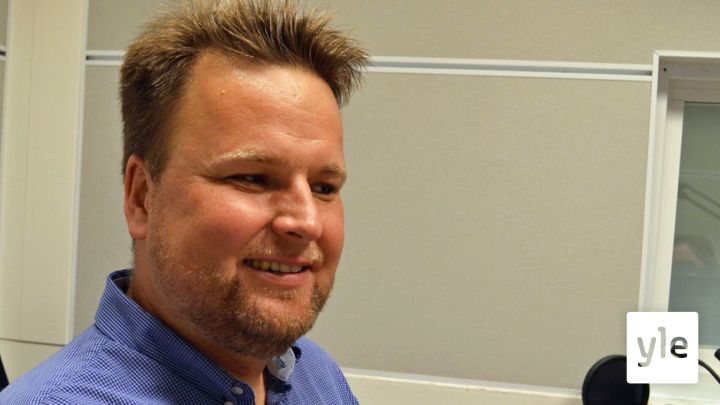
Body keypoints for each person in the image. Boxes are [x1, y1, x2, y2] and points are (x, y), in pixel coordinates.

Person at [0, 1, 367, 404]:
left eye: (324, 187)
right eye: (252, 178)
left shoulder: (317, 377)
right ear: (141, 198)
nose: (308, 222)